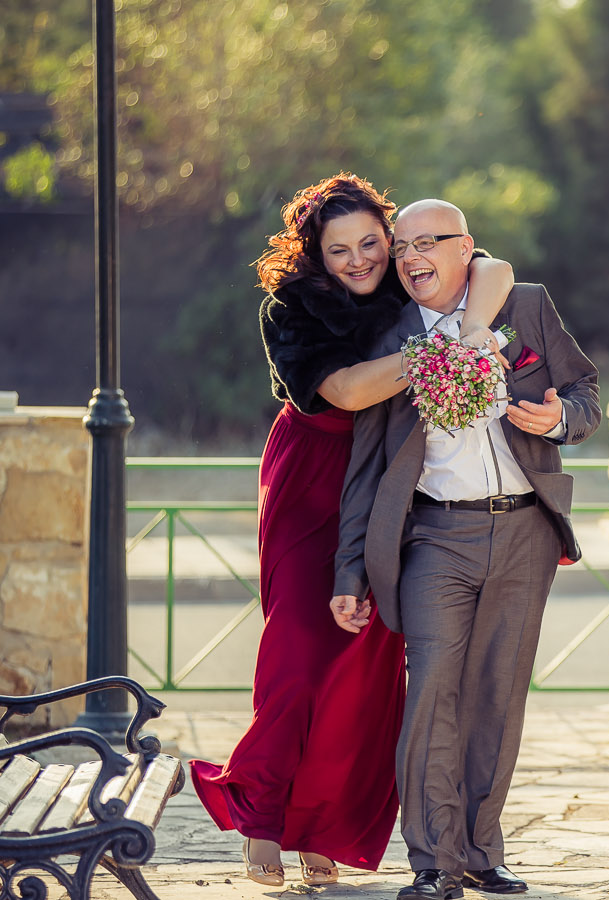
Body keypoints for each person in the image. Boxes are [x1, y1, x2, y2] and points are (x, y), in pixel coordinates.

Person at [188, 175, 515, 887]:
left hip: (397, 476)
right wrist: (449, 347)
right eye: (342, 251)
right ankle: (262, 816)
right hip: (313, 477)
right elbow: (345, 392)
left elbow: (493, 268)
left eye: (373, 243)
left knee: (362, 668)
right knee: (300, 654)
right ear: (316, 253)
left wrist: (457, 326)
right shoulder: (291, 308)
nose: (362, 260)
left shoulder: (407, 282)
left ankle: (320, 829)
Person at [330, 199, 600, 900]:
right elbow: (366, 468)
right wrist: (350, 569)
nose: (411, 257)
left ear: (465, 250)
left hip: (524, 532)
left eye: (427, 243)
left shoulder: (525, 306)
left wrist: (562, 417)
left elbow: (585, 389)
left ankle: (482, 851)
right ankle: (432, 862)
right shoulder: (388, 337)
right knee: (433, 697)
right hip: (434, 537)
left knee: (497, 697)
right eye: (401, 248)